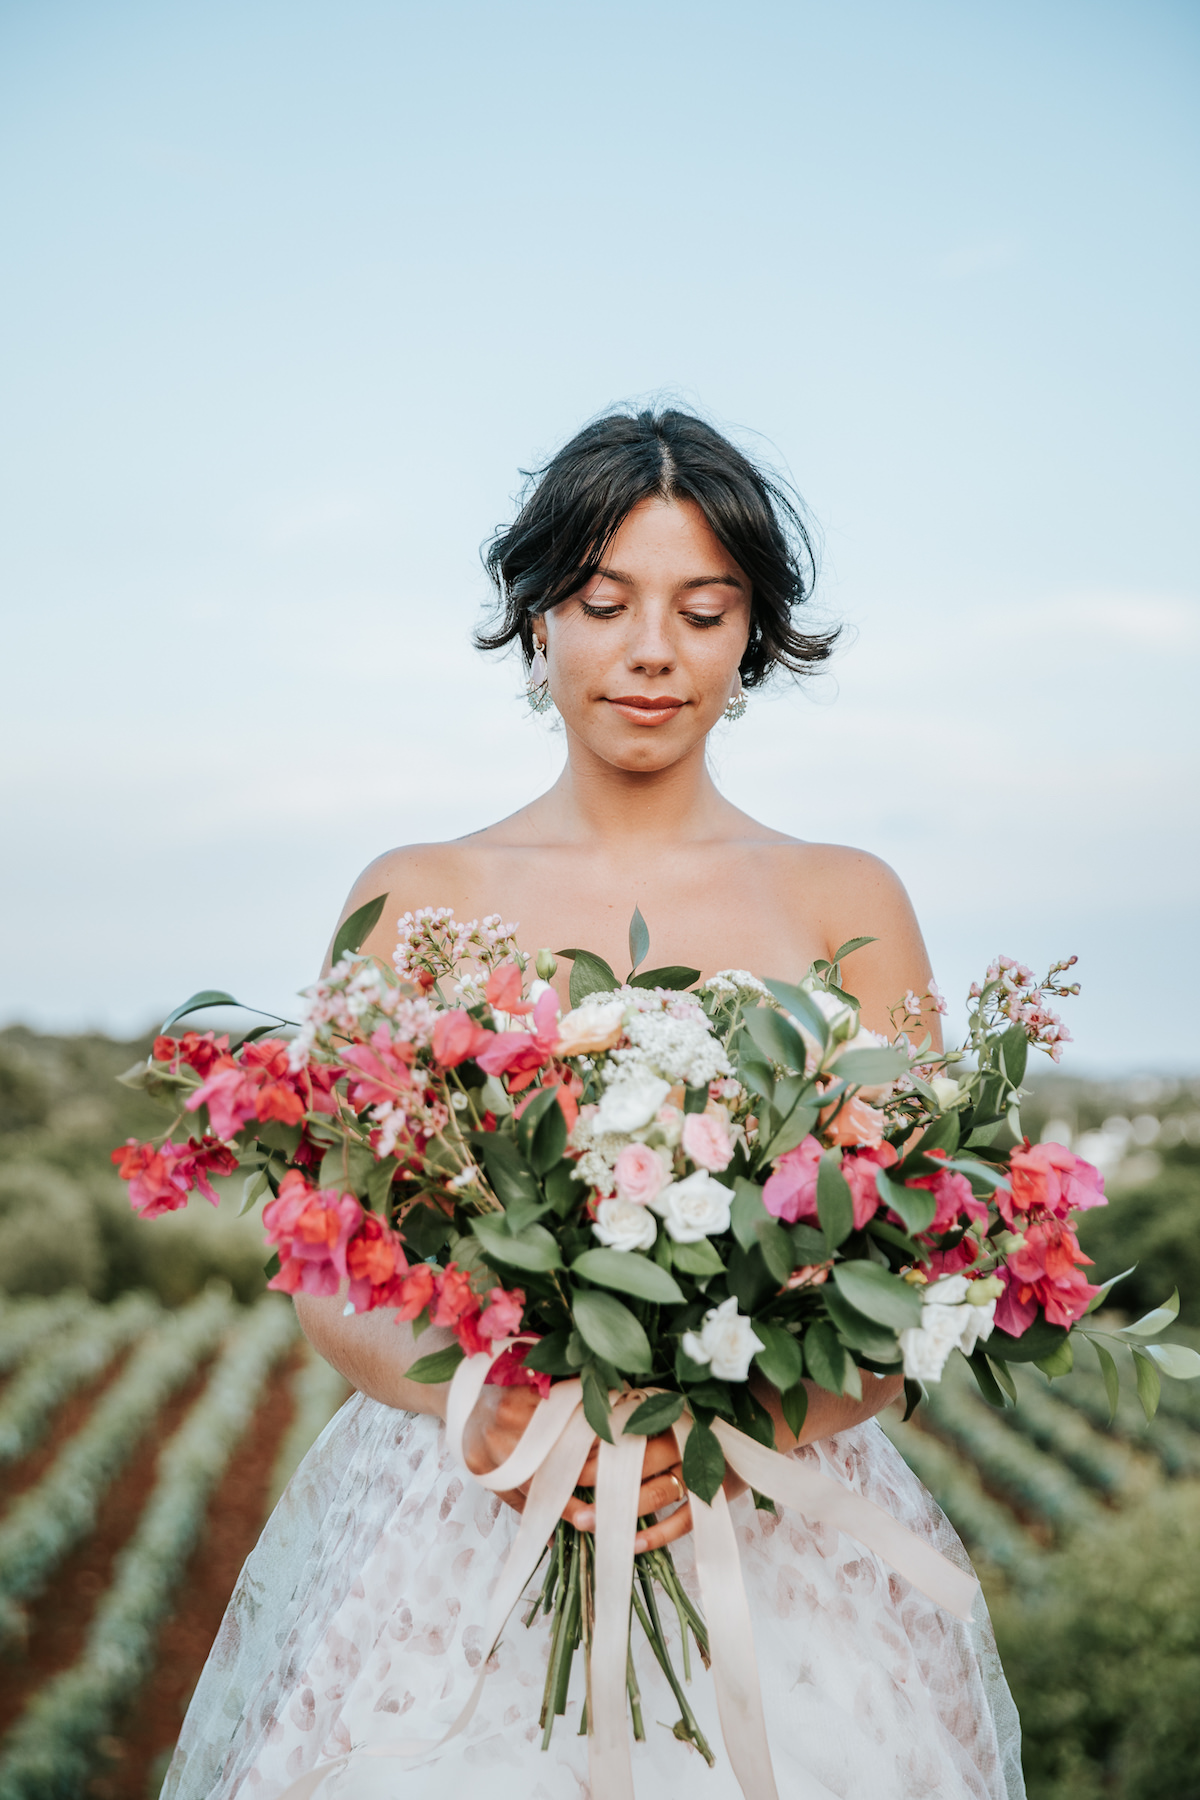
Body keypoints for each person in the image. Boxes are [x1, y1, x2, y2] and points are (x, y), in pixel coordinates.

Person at [162, 407, 1025, 1800]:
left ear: (753, 637)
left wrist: (749, 1427)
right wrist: (479, 1415)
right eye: (603, 601)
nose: (649, 650)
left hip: (773, 1538)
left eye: (702, 609)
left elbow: (930, 1267)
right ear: (537, 620)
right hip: (455, 1524)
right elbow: (325, 1255)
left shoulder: (847, 899)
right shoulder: (415, 894)